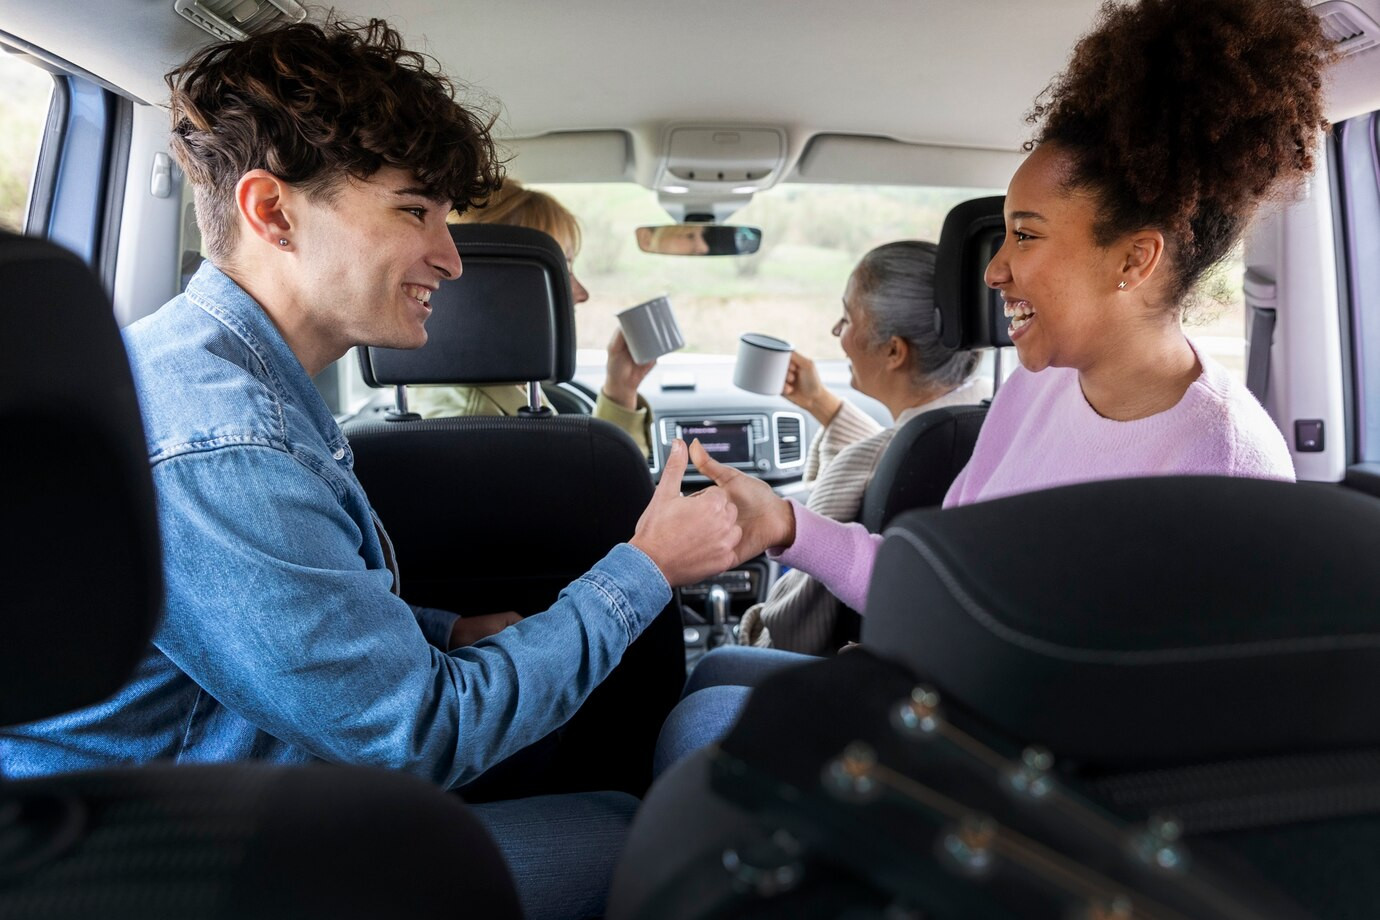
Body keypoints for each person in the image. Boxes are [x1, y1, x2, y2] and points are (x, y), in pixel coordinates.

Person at [0, 19, 741, 920]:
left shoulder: (228, 383)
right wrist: (648, 568)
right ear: (272, 211)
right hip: (160, 868)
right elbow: (415, 738)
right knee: (631, 835)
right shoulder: (227, 441)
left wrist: (441, 628)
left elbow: (257, 618)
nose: (452, 256)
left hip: (211, 796)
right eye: (414, 211)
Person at [657, 0, 1330, 770]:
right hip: (944, 704)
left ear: (1134, 260)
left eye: (1027, 234)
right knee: (711, 675)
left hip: (1018, 776)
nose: (995, 268)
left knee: (705, 724)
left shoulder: (1229, 465)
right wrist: (783, 522)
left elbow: (1169, 736)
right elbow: (940, 598)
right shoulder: (1034, 391)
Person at [737, 240, 982, 653]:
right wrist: (821, 404)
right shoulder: (990, 417)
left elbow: (791, 626)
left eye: (847, 318)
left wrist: (745, 636)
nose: (838, 334)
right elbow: (887, 456)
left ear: (893, 351)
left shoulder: (870, 462)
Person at [409, 181, 656, 456]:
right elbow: (599, 495)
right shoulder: (473, 423)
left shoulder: (505, 388)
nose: (582, 294)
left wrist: (621, 389)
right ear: (499, 285)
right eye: (562, 270)